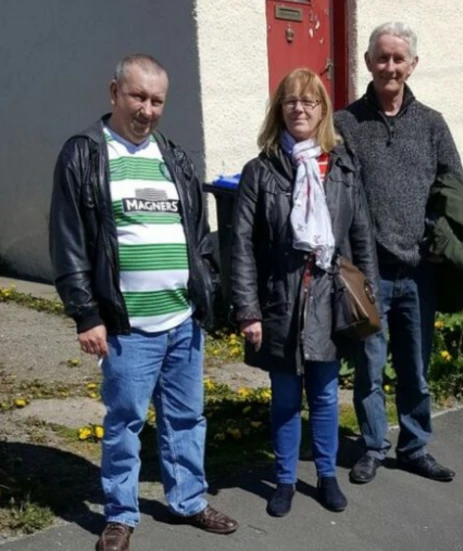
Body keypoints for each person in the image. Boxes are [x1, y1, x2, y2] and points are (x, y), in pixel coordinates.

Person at [49, 54, 237, 551]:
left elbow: (197, 236)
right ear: (114, 92)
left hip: (182, 320)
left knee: (185, 418)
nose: (148, 110)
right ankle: (120, 514)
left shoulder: (173, 156)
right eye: (138, 96)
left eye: (157, 101)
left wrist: (206, 292)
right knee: (125, 422)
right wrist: (86, 314)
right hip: (127, 326)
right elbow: (68, 242)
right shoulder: (85, 154)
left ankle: (189, 500)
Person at [230, 68, 377, 517]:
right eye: (291, 100)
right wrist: (247, 310)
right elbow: (240, 245)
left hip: (330, 300)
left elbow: (361, 239)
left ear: (322, 111)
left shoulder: (343, 167)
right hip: (281, 302)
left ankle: (327, 475)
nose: (300, 108)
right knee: (287, 398)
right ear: (280, 109)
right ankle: (285, 479)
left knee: (328, 396)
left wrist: (371, 300)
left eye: (310, 101)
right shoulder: (260, 170)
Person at [335, 22, 459, 485]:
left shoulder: (432, 124)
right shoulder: (347, 122)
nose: (390, 66)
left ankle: (414, 446)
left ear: (412, 65)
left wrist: (438, 240)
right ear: (368, 62)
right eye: (382, 57)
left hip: (419, 272)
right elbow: (338, 192)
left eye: (398, 58)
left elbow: (453, 188)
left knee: (416, 368)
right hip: (369, 274)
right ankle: (371, 446)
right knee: (369, 368)